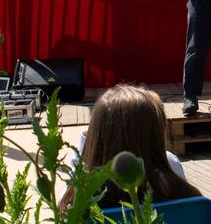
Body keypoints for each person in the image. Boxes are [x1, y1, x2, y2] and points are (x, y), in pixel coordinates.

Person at [67, 85, 202, 209]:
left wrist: (87, 143)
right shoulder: (172, 171)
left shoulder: (77, 201)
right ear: (155, 135)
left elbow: (80, 167)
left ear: (96, 136)